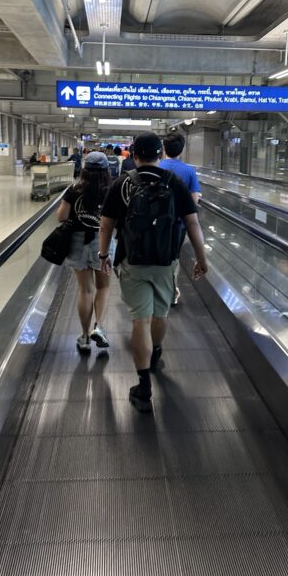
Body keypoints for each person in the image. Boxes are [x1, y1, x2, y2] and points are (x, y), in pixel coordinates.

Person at [99, 132, 209, 412]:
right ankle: (156, 351)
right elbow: (193, 223)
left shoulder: (123, 183)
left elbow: (106, 225)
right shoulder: (175, 183)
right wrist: (200, 257)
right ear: (160, 154)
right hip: (166, 260)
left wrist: (103, 255)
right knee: (160, 315)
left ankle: (143, 385)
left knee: (140, 322)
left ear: (134, 155)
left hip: (132, 261)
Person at [57, 152, 112, 354]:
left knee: (85, 290)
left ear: (84, 169)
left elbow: (61, 216)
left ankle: (85, 337)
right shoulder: (110, 190)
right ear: (107, 170)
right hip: (103, 242)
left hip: (78, 242)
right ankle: (98, 326)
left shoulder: (74, 189)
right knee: (103, 286)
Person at [159, 132, 202, 306]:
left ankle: (157, 288)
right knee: (173, 258)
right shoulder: (189, 171)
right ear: (182, 150)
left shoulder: (157, 166)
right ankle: (171, 290)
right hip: (178, 224)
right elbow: (194, 200)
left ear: (164, 148)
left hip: (155, 222)